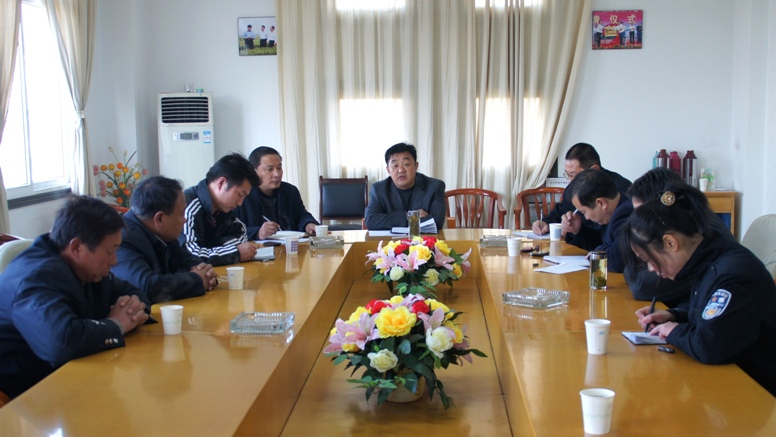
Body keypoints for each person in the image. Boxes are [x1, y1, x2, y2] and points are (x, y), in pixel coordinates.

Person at [628, 183, 776, 397]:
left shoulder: (731, 274)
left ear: (670, 243)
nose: (651, 268)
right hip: (730, 376)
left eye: (649, 259)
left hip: (756, 389)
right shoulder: (708, 257)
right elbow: (714, 314)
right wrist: (675, 315)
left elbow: (709, 346)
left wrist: (673, 331)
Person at [0, 195, 151, 400]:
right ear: (77, 247)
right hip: (24, 394)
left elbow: (135, 292)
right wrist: (117, 324)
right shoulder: (34, 278)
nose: (115, 261)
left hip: (77, 375)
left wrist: (133, 310)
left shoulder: (86, 267)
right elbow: (61, 343)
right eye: (110, 252)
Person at [624, 168, 736, 307]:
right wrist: (675, 315)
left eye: (640, 214)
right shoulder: (690, 222)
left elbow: (641, 286)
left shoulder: (696, 239)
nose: (637, 221)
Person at [114, 176, 218, 304]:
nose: (185, 220)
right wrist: (197, 280)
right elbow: (146, 287)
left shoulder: (163, 234)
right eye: (181, 214)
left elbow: (187, 260)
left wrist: (206, 273)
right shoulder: (121, 239)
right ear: (160, 219)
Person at [532, 142, 631, 249]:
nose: (571, 181)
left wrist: (598, 252)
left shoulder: (619, 191)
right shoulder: (575, 187)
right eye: (568, 175)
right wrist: (545, 223)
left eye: (574, 175)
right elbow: (560, 211)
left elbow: (612, 247)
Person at [178, 153, 260, 266]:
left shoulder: (222, 209)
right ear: (221, 183)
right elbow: (189, 254)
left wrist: (216, 248)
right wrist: (233, 252)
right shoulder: (187, 207)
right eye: (240, 194)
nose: (240, 203)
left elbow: (241, 233)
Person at [234, 146, 319, 240]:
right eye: (270, 169)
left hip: (290, 246)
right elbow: (232, 231)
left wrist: (308, 224)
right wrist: (258, 233)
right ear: (254, 171)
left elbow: (301, 215)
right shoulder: (243, 195)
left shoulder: (290, 191)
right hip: (257, 248)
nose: (277, 174)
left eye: (279, 168)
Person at [562, 168, 633, 273]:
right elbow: (601, 241)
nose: (586, 218)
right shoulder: (613, 210)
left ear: (601, 203)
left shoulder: (625, 214)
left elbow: (617, 261)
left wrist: (598, 251)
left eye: (584, 212)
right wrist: (578, 230)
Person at [364, 142, 446, 230]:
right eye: (395, 166)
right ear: (388, 170)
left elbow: (437, 222)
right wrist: (410, 215)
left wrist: (389, 220)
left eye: (406, 164)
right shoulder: (379, 189)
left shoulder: (435, 187)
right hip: (390, 239)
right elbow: (371, 220)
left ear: (416, 166)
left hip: (423, 239)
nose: (401, 170)